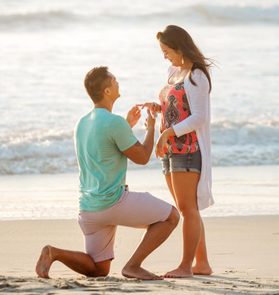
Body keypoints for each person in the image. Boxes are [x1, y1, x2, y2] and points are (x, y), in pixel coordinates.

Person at [35, 66, 179, 280]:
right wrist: (150, 128)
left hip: (88, 210)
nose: (117, 82)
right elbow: (141, 157)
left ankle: (53, 252)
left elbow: (105, 148)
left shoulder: (82, 123)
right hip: (113, 202)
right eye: (114, 80)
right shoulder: (114, 123)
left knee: (99, 270)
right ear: (107, 92)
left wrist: (127, 125)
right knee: (171, 217)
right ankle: (133, 265)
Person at [143, 25, 214, 278]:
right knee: (186, 207)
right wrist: (159, 109)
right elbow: (178, 108)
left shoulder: (196, 76)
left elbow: (199, 118)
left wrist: (167, 134)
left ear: (179, 47)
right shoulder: (174, 71)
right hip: (170, 148)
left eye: (166, 51)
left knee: (187, 209)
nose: (164, 56)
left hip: (187, 148)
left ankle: (186, 266)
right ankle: (202, 263)